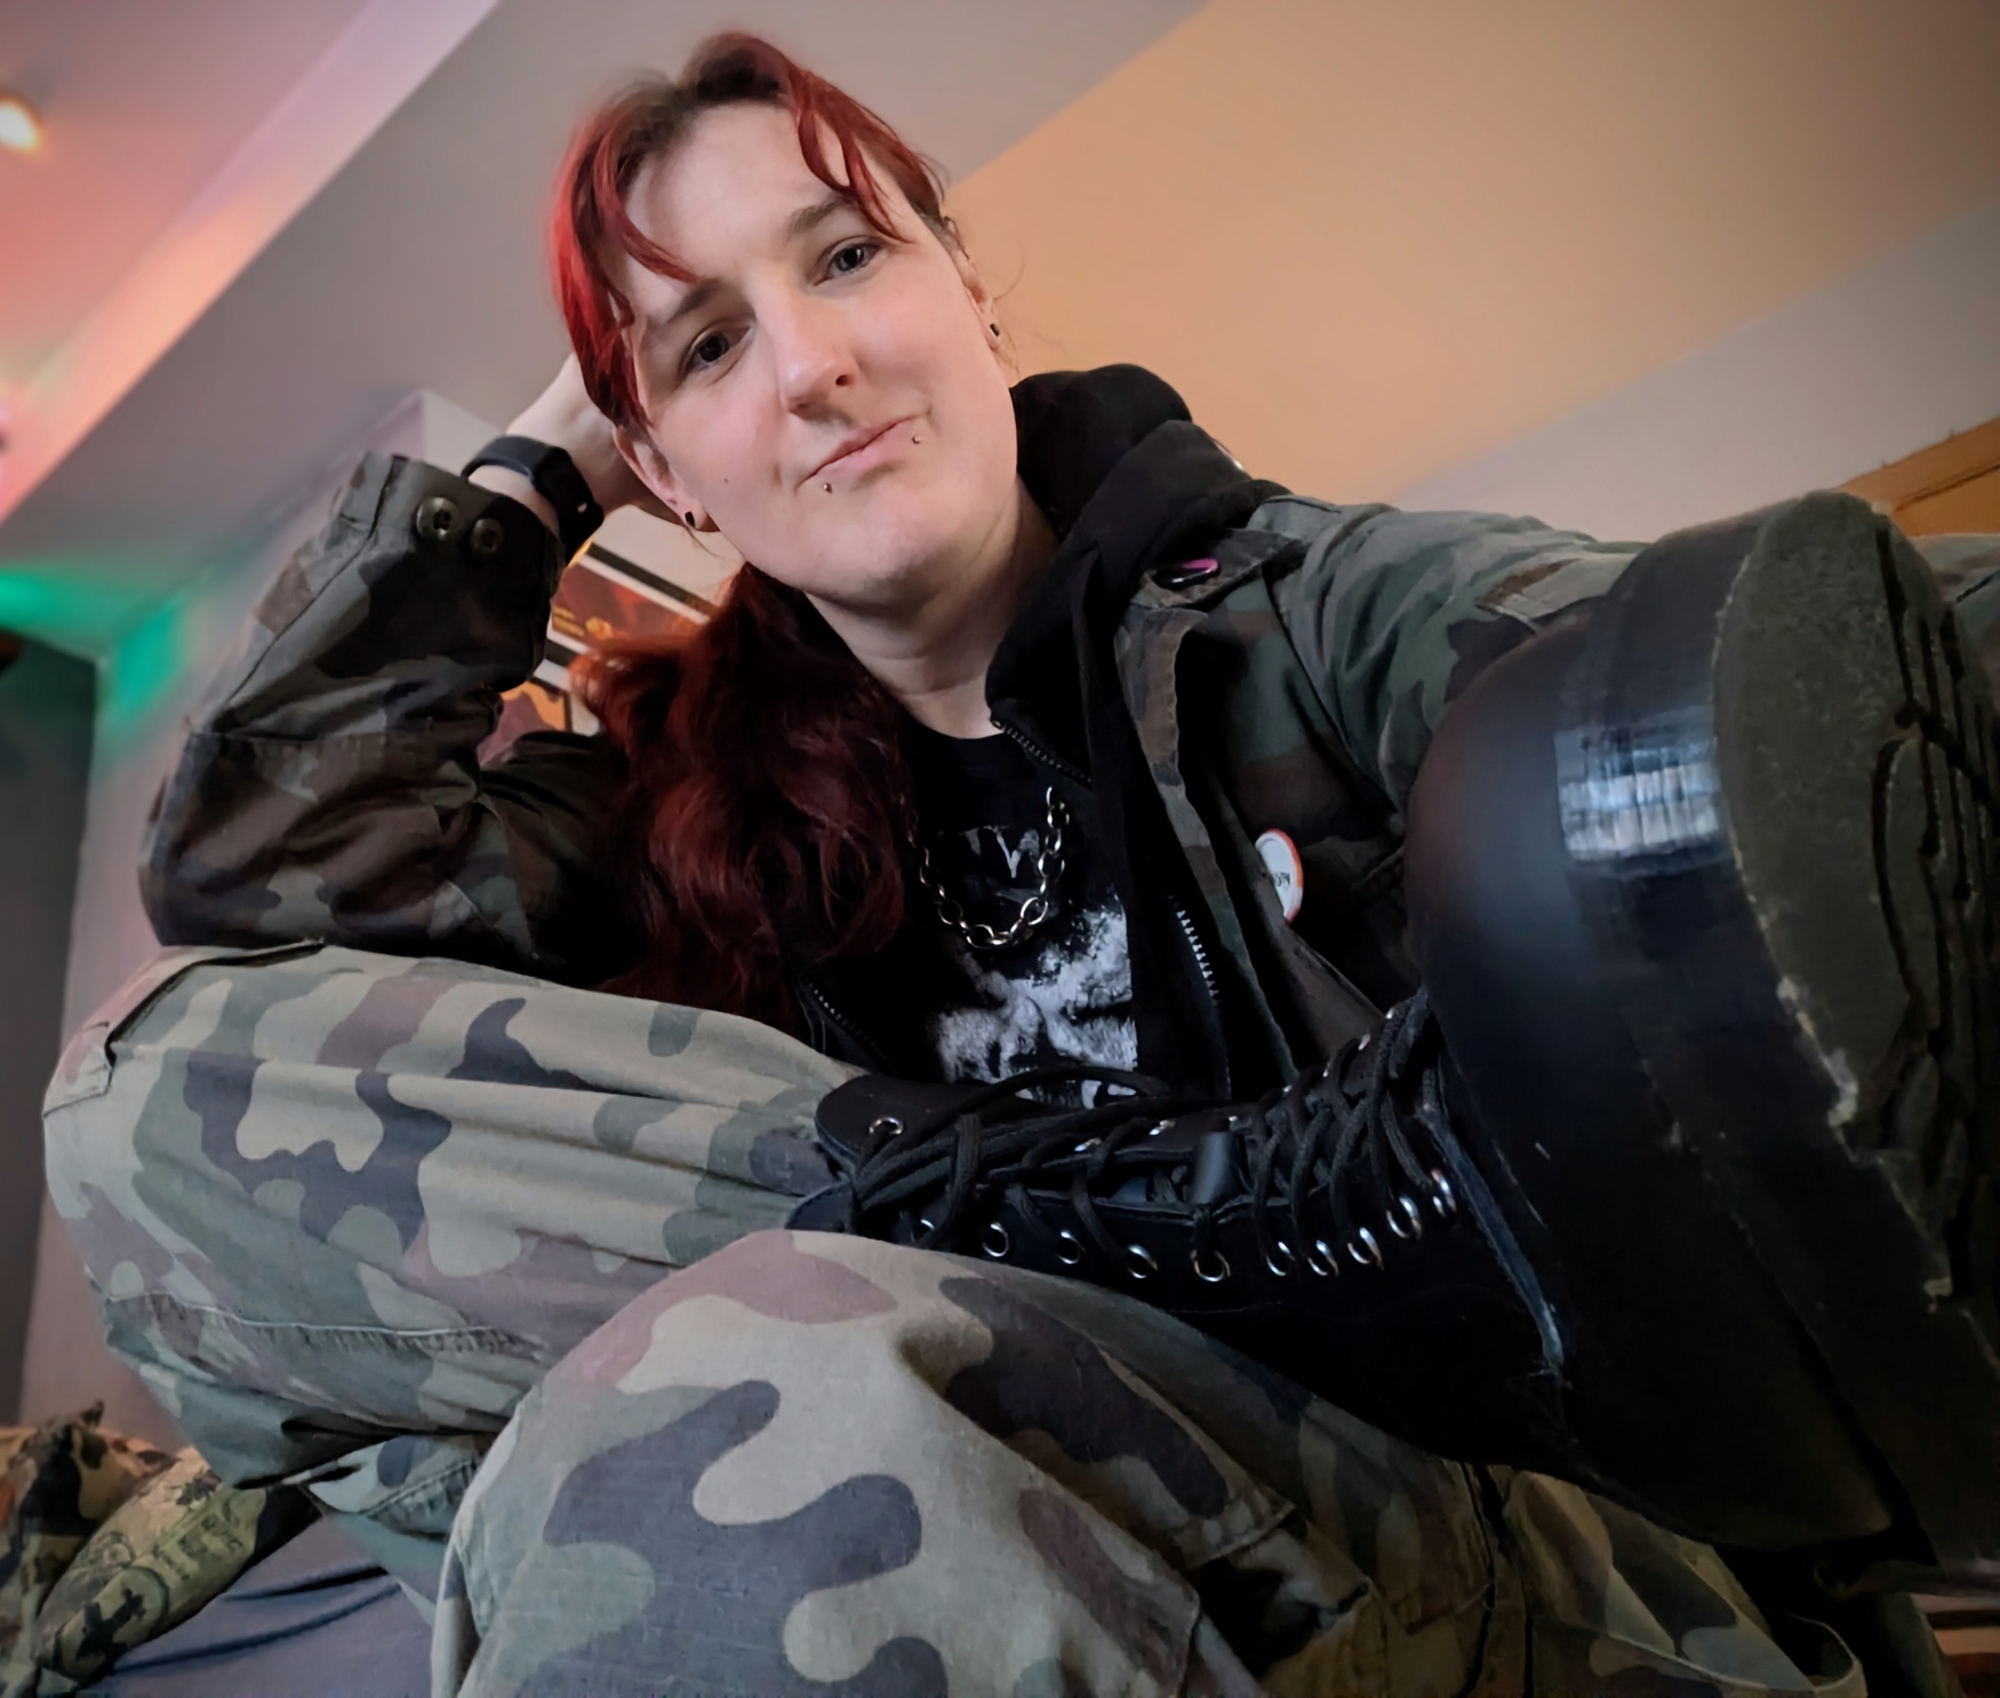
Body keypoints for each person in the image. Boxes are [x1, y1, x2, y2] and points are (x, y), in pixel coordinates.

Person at [42, 31, 1999, 1696]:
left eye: (846, 256)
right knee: (144, 1093)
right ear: (670, 472)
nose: (810, 364)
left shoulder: (1293, 614)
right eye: (709, 345)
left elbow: (1803, 679)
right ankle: (1103, 1206)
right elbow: (264, 875)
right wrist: (542, 465)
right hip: (969, 1454)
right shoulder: (669, 803)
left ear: (966, 293)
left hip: (1477, 1522)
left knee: (746, 1406)